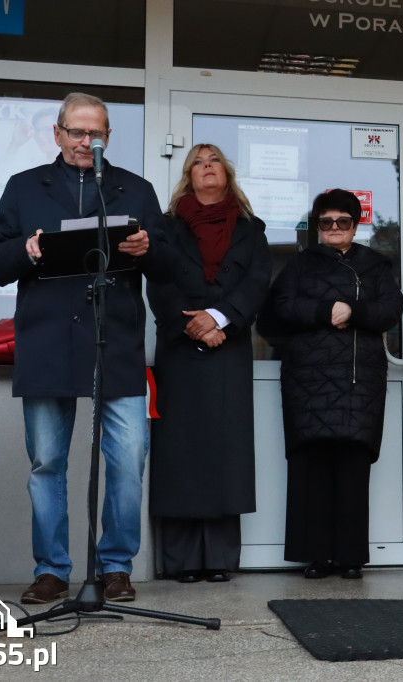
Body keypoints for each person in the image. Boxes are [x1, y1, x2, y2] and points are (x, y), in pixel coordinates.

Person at [0, 92, 170, 604]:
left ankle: (115, 566)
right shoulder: (24, 187)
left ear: (110, 136)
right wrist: (27, 248)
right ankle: (51, 569)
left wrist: (148, 247)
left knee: (129, 458)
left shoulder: (135, 188)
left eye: (98, 133)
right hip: (48, 339)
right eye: (78, 132)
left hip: (117, 340)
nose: (88, 142)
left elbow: (170, 262)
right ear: (58, 134)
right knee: (46, 461)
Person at [261, 189, 403, 579]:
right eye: (327, 222)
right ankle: (315, 556)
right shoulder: (299, 265)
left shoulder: (375, 265)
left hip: (360, 381)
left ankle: (350, 557)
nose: (335, 228)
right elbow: (277, 311)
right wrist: (327, 310)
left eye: (343, 221)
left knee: (353, 467)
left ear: (355, 225)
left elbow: (391, 309)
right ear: (317, 227)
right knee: (311, 467)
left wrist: (353, 310)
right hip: (308, 381)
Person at [146, 144, 271, 583]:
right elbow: (157, 282)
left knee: (225, 454)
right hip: (180, 352)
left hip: (229, 348)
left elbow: (257, 281)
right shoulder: (165, 227)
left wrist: (219, 319)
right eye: (197, 163)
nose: (206, 168)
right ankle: (181, 561)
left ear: (226, 173)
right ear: (188, 176)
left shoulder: (252, 228)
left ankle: (219, 559)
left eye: (213, 160)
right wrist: (194, 325)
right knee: (181, 452)